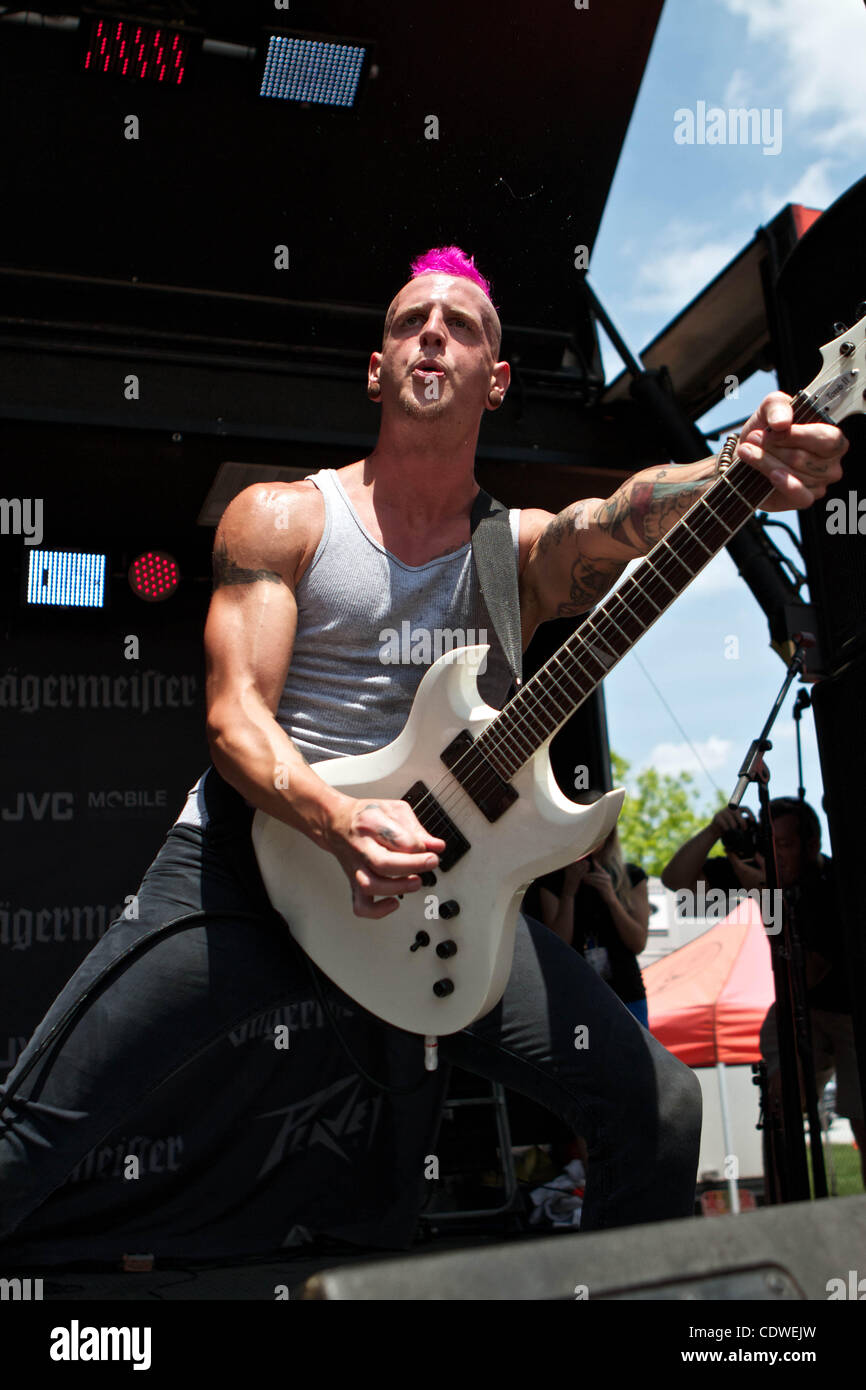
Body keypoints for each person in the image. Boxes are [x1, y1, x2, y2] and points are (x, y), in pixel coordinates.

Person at [0, 245, 847, 1255]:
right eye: (409, 321)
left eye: (463, 325)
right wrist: (337, 815)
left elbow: (617, 518)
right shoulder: (284, 516)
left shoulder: (518, 548)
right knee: (32, 1135)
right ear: (376, 367)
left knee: (658, 1108)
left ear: (497, 379)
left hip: (434, 886)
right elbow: (234, 718)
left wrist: (732, 466)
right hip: (245, 864)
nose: (432, 333)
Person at [661, 799, 865, 1189]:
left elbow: (812, 971)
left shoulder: (833, 883)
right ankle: (782, 1205)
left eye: (784, 845)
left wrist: (767, 896)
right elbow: (676, 881)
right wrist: (713, 832)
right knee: (779, 1108)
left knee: (859, 1116)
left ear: (810, 844)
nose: (774, 853)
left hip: (849, 1010)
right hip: (795, 1003)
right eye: (767, 842)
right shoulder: (760, 868)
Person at [528, 823, 651, 1027]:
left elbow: (637, 943)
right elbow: (558, 945)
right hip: (576, 996)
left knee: (630, 1057)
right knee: (582, 1055)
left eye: (600, 830)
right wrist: (568, 893)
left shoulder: (631, 877)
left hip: (627, 995)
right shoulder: (552, 881)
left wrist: (611, 898)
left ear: (610, 834)